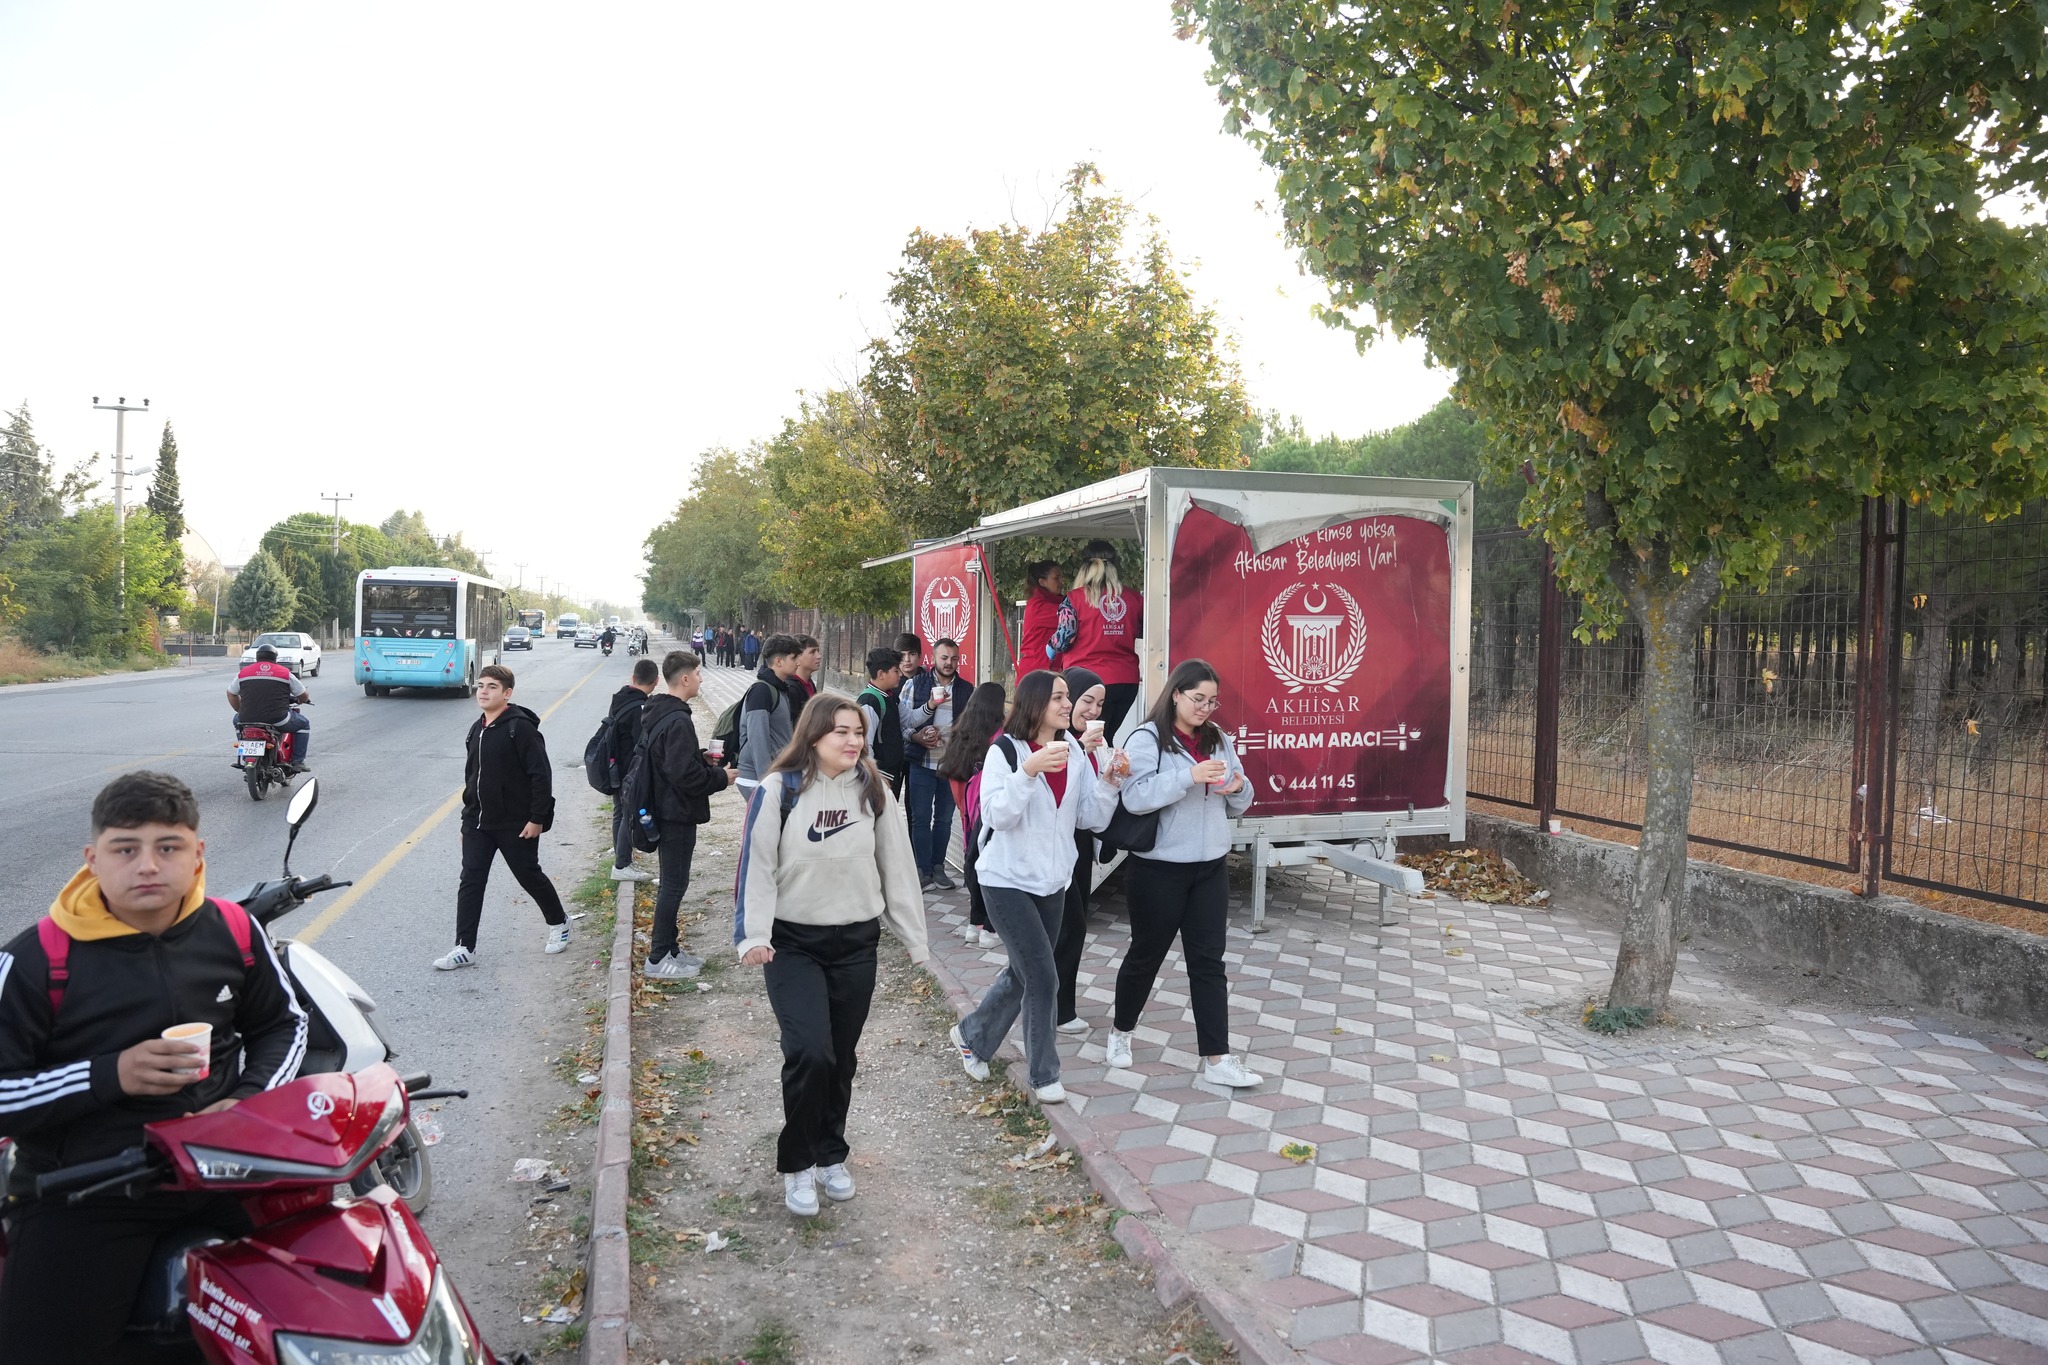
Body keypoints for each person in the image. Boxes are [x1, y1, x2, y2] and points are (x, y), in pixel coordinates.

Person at [0, 771, 309, 1363]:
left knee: (317, 1307)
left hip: (223, 1168)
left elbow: (283, 1025)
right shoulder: (39, 959)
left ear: (197, 855)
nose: (147, 865)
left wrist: (244, 1101)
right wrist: (109, 1075)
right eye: (125, 849)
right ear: (93, 859)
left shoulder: (233, 928)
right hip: (90, 1189)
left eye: (168, 847)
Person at [735, 694, 927, 1217]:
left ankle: (829, 1155)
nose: (853, 741)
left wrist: (913, 936)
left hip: (856, 943)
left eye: (858, 732)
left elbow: (898, 864)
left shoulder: (874, 788)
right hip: (793, 944)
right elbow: (755, 864)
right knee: (810, 1053)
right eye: (841, 731)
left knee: (841, 1058)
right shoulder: (781, 789)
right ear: (814, 734)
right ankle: (797, 1163)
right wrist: (753, 934)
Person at [949, 671, 1121, 1105]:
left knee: (1024, 970)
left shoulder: (1077, 756)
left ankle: (972, 1034)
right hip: (1005, 880)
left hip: (1053, 881)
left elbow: (1090, 820)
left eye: (1069, 698)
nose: (1069, 706)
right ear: (1035, 704)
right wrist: (1027, 772)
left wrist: (1110, 781)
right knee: (1043, 975)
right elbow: (997, 816)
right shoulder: (1004, 752)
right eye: (1060, 698)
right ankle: (1043, 1075)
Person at [1103, 660, 1262, 1088]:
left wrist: (1237, 787)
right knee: (1146, 955)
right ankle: (1121, 1032)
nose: (1206, 708)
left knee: (1209, 963)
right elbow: (1135, 798)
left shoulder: (1218, 738)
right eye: (1198, 699)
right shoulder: (1147, 737)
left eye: (1212, 701)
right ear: (1176, 693)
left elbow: (1242, 798)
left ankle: (1217, 1059)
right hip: (1158, 868)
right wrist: (1187, 776)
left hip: (1210, 866)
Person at [436, 664, 572, 970]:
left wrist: (537, 818)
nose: (483, 691)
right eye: (481, 685)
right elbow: (473, 778)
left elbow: (541, 776)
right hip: (478, 823)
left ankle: (559, 922)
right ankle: (464, 947)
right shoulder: (477, 728)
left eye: (492, 687)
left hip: (516, 823)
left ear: (507, 694)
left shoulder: (520, 728)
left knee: (528, 876)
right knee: (471, 880)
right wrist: (466, 820)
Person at [627, 650, 731, 979]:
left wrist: (700, 757)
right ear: (684, 679)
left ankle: (670, 949)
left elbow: (672, 762)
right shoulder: (678, 720)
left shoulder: (662, 712)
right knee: (673, 885)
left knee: (676, 883)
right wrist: (720, 777)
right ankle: (658, 958)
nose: (701, 679)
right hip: (675, 813)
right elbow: (682, 776)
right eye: (698, 674)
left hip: (667, 809)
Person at [1054, 666, 1109, 1033]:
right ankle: (1056, 1009)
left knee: (1076, 925)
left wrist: (1111, 767)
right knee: (1065, 926)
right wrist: (1079, 751)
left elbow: (1095, 802)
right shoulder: (1054, 741)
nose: (1092, 710)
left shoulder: (1094, 743)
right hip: (1056, 842)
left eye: (1100, 704)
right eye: (1086, 700)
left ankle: (1063, 1006)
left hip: (1082, 840)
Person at [936, 681, 1010, 947]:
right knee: (992, 869)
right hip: (989, 814)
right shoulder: (1001, 737)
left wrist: (964, 808)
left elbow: (955, 776)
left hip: (968, 813)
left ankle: (973, 924)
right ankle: (990, 929)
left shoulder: (961, 732)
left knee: (973, 864)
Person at [899, 637, 971, 891]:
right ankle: (923, 870)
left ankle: (938, 868)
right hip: (921, 762)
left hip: (950, 765)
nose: (949, 663)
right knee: (920, 818)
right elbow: (903, 724)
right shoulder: (913, 685)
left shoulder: (966, 689)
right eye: (944, 658)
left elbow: (970, 728)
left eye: (954, 658)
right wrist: (917, 736)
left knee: (943, 819)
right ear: (933, 658)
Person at [1064, 540, 1143, 739]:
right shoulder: (1135, 598)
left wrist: (1049, 648)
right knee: (1104, 738)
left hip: (1086, 682)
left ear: (1084, 568)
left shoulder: (1074, 598)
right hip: (1126, 681)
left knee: (1082, 740)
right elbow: (1142, 632)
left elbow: (1065, 637)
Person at [608, 657, 661, 883]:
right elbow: (642, 743)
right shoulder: (640, 707)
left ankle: (622, 855)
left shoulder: (620, 698)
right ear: (656, 681)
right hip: (628, 769)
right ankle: (622, 864)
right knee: (630, 814)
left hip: (613, 767)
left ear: (633, 678)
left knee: (620, 811)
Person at [227, 644, 311, 768]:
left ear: (257, 658)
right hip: (278, 719)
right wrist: (303, 700)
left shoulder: (244, 673)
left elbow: (231, 693)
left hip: (247, 718)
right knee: (304, 724)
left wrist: (240, 710)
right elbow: (303, 695)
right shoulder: (284, 673)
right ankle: (298, 761)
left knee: (237, 722)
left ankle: (245, 755)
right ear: (275, 658)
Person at [737, 634, 802, 793]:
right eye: (794, 658)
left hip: (776, 774)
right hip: (756, 778)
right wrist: (766, 782)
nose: (798, 662)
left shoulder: (780, 688)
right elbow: (757, 737)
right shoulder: (761, 690)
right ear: (779, 661)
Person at [856, 647, 908, 797]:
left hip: (891, 772)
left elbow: (909, 719)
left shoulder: (890, 696)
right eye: (896, 671)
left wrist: (931, 704)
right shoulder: (870, 700)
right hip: (880, 775)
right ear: (881, 674)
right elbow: (865, 745)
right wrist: (875, 778)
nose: (900, 675)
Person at [1019, 559, 1068, 670]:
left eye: (1061, 577)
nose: (1061, 581)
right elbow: (1071, 617)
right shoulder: (1038, 607)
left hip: (1048, 670)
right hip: (1037, 671)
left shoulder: (1057, 602)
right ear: (1042, 582)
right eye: (1056, 578)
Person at [792, 636, 822, 700]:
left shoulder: (809, 683)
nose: (819, 656)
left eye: (817, 651)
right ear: (798, 657)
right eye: (812, 652)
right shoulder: (791, 688)